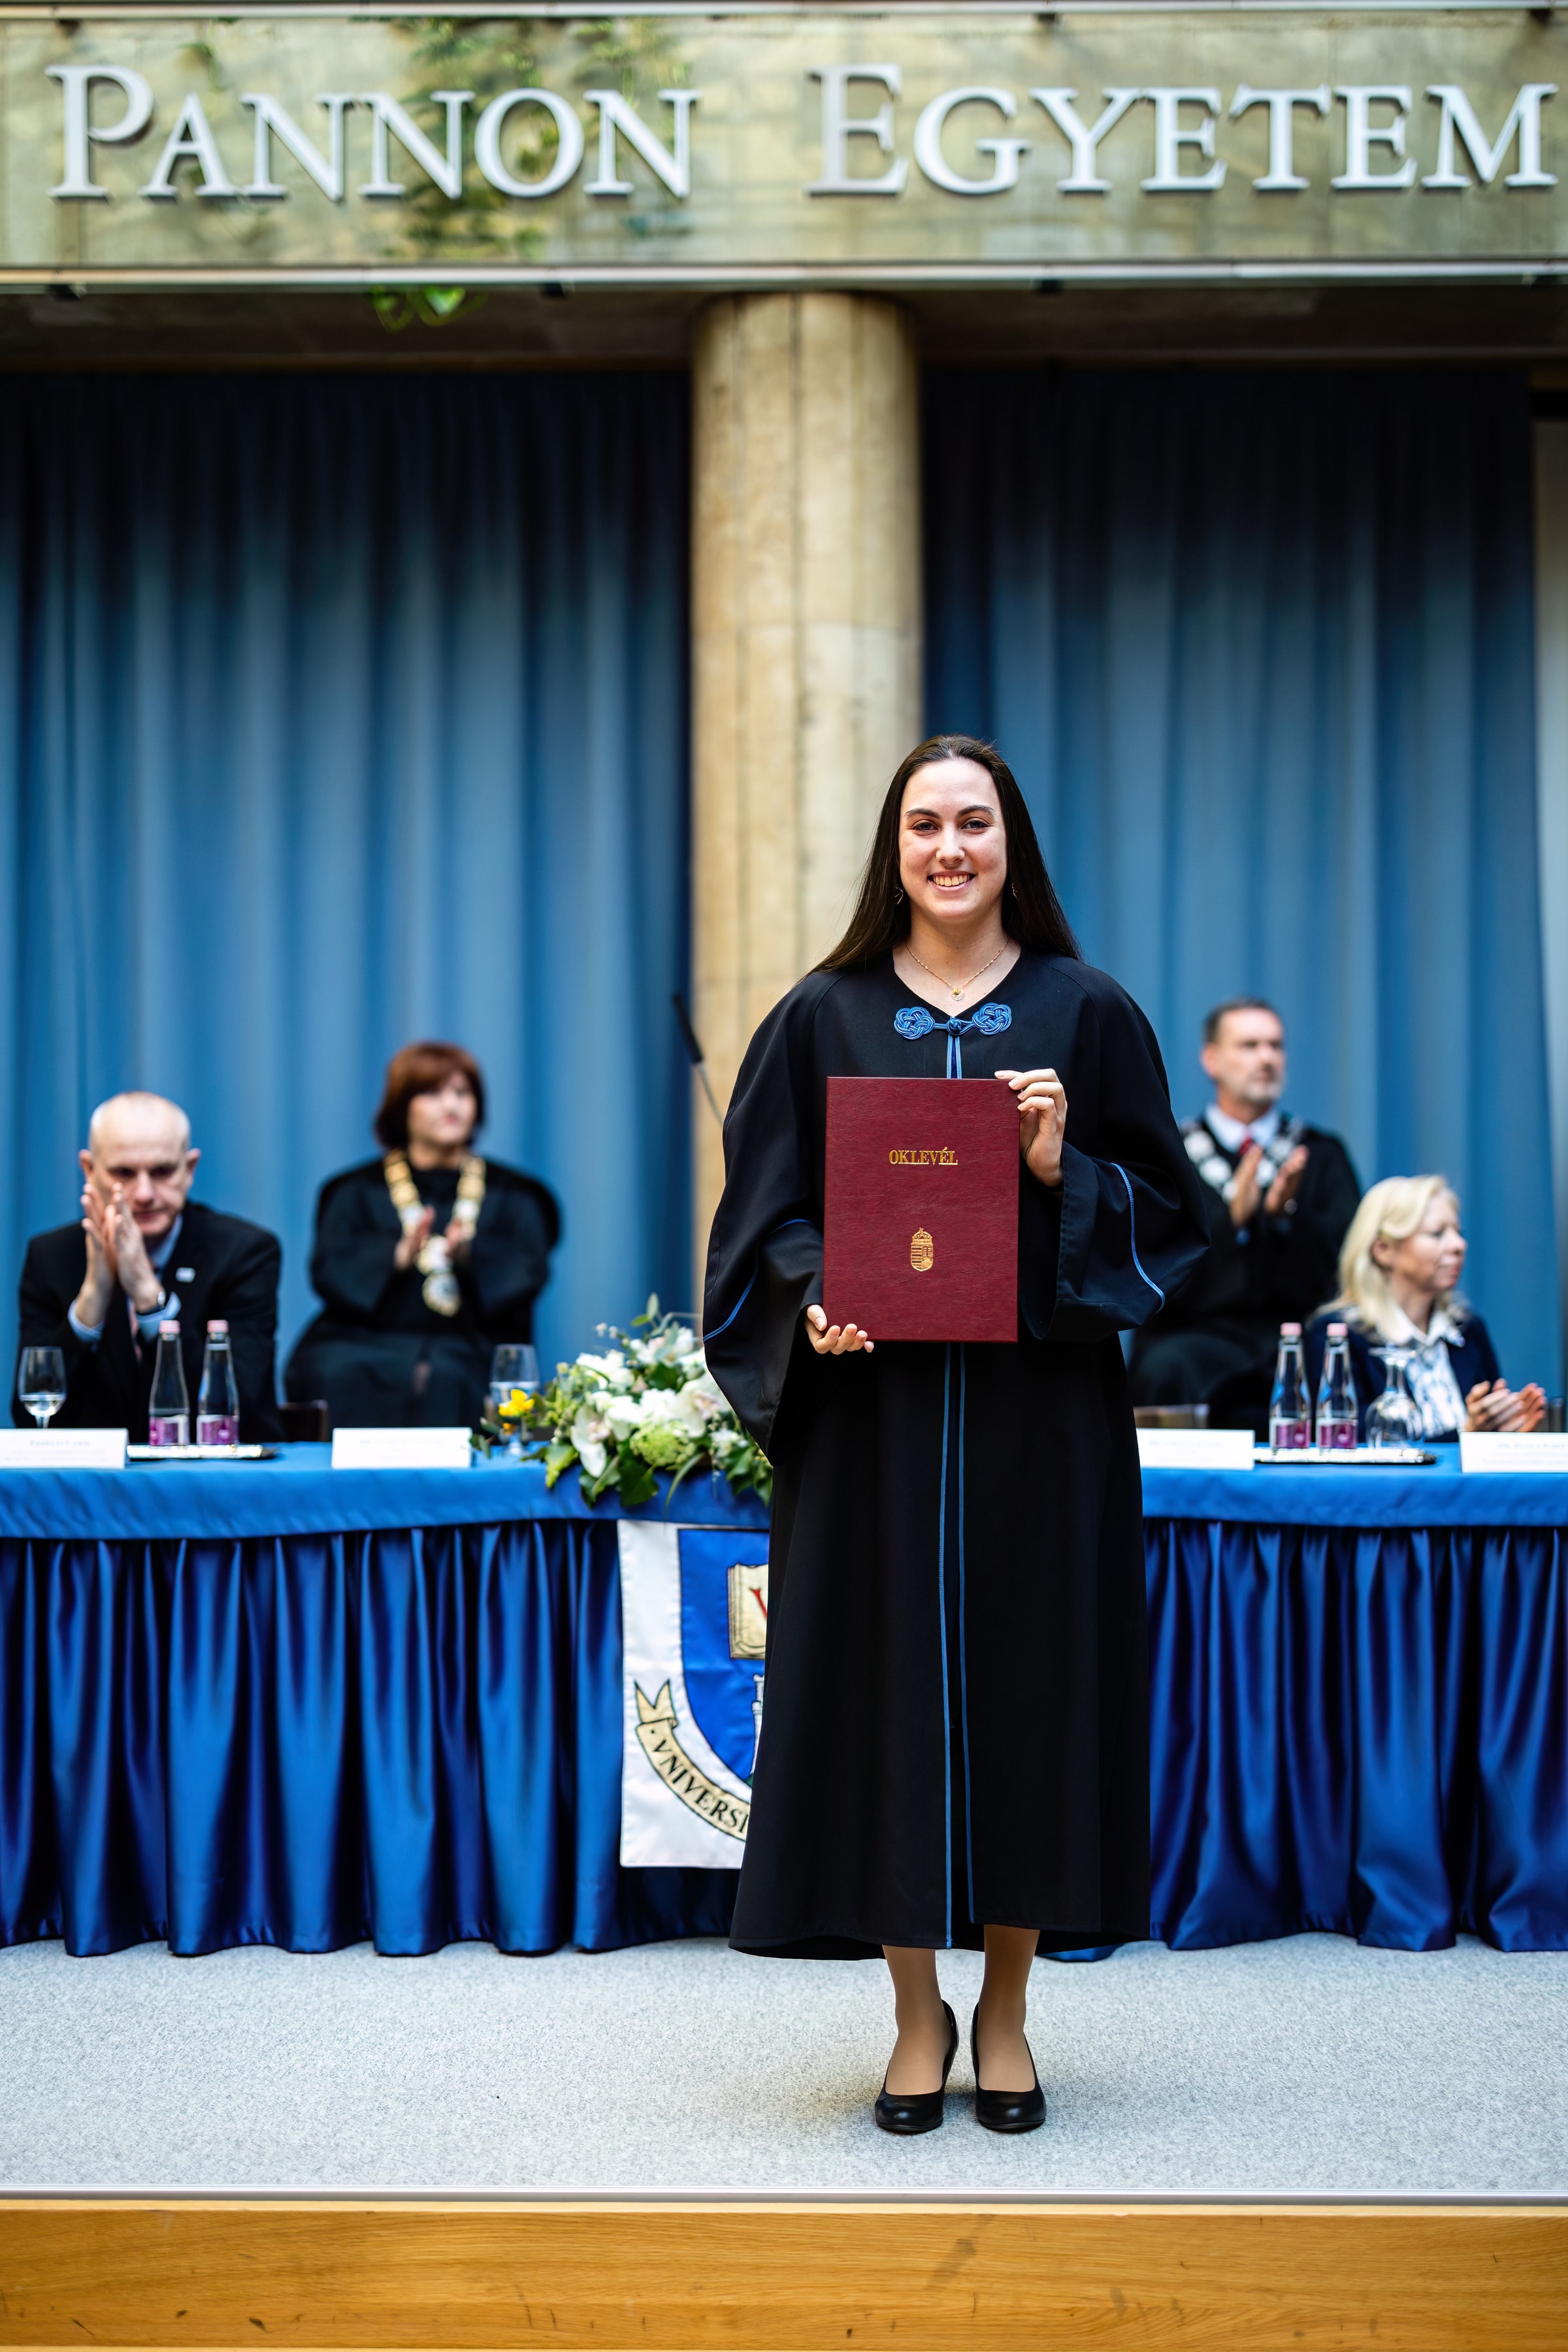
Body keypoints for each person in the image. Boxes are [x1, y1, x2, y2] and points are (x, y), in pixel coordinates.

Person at [703, 733, 1209, 2136]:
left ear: (1010, 844)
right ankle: (916, 2011)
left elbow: (1175, 1225)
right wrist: (812, 1298)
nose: (950, 848)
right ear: (895, 847)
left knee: (1031, 1698)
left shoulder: (1088, 1012)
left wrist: (1061, 1168)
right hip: (875, 1427)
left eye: (974, 823)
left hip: (1040, 1429)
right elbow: (760, 1223)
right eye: (925, 824)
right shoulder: (821, 1015)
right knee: (883, 1699)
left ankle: (1008, 2011)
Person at [286, 1041, 559, 1429]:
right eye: (432, 1093)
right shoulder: (353, 1190)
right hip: (362, 1339)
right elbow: (329, 1272)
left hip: (470, 1340)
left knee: (447, 1375)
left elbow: (530, 1270)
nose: (451, 1106)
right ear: (402, 1107)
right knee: (339, 1370)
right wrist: (396, 1256)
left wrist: (469, 1255)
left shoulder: (516, 1194)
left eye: (462, 1093)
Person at [1130, 998, 1360, 1428]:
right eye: (1250, 1046)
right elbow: (1149, 1271)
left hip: (1294, 1337)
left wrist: (1283, 1218)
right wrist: (1230, 1221)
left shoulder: (1320, 1155)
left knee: (1337, 1361)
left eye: (1275, 1046)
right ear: (1212, 1060)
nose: (1266, 1058)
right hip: (1196, 1341)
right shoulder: (1170, 1156)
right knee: (1166, 1366)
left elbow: (1347, 1269)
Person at [14, 1090, 282, 1441]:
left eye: (162, 1172)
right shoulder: (52, 1257)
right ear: (90, 1170)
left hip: (211, 1472)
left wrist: (148, 1296)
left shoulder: (245, 1253)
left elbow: (241, 1409)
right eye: (123, 1173)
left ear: (189, 1170)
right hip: (94, 1475)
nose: (144, 1194)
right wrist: (91, 1301)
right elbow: (31, 1419)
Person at [1305, 1176, 1544, 1441]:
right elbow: (1350, 1444)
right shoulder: (1337, 1337)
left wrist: (1509, 1434)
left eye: (1458, 1233)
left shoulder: (1469, 1330)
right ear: (1383, 1250)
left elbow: (1488, 1438)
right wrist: (1468, 1435)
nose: (1459, 1245)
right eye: (1437, 1233)